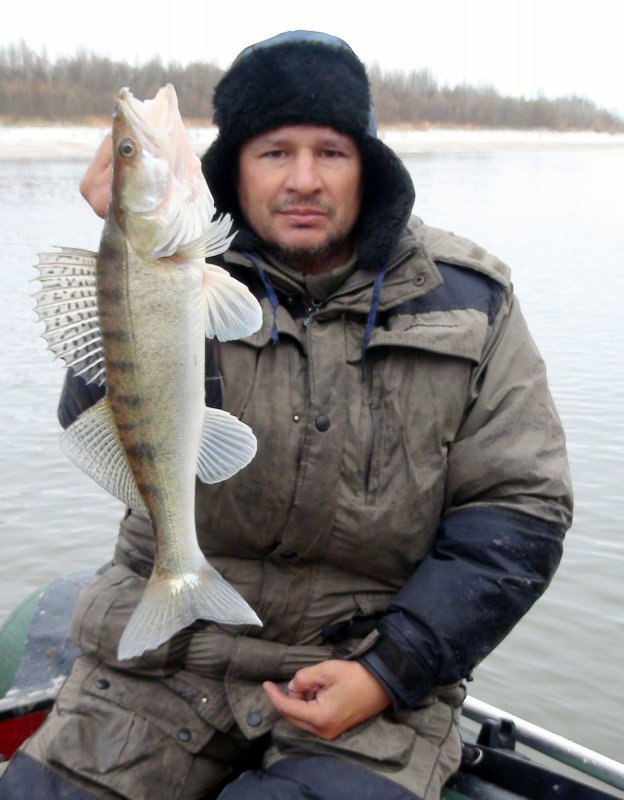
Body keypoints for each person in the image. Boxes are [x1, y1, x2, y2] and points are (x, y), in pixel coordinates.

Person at [0, 30, 572, 800]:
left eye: (330, 152)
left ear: (367, 163)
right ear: (230, 167)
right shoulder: (177, 268)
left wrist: (388, 671)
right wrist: (120, 252)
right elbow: (105, 412)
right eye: (275, 152)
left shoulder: (471, 303)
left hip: (359, 681)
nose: (304, 179)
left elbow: (520, 512)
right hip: (160, 667)